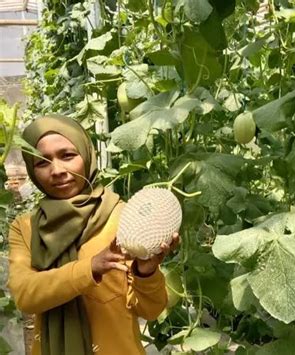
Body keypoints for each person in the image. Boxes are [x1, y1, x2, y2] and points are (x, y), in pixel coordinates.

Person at [7, 114, 179, 355]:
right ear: (32, 170)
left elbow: (150, 310)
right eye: (42, 162)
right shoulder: (25, 227)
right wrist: (90, 268)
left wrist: (146, 272)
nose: (57, 170)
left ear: (87, 155)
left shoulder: (124, 217)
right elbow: (26, 295)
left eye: (67, 156)